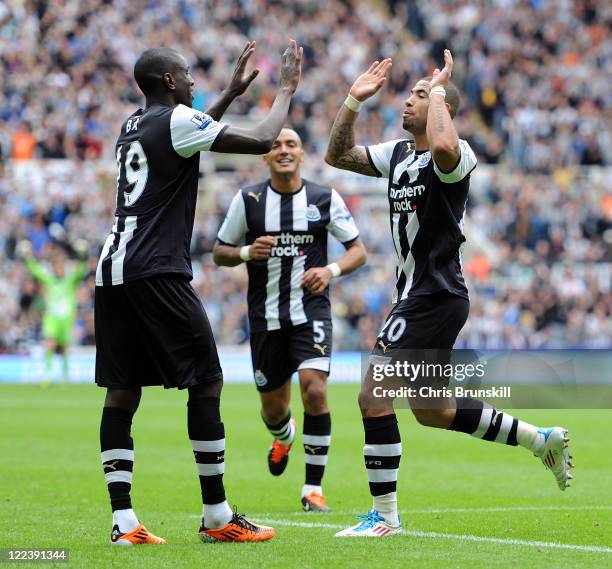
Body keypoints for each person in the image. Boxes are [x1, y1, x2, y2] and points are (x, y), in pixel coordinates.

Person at [325, 50, 573, 537]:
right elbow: (337, 155)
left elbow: (441, 150)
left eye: (420, 94)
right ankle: (539, 439)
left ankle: (386, 518)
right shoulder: (396, 154)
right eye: (412, 92)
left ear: (444, 109)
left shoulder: (459, 155)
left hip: (434, 295)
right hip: (420, 296)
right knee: (433, 410)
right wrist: (353, 100)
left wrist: (438, 90)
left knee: (374, 394)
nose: (408, 100)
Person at [94, 40, 302, 545]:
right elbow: (264, 138)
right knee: (207, 380)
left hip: (113, 270)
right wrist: (287, 89)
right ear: (168, 81)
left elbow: (185, 136)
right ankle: (217, 516)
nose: (192, 80)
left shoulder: (131, 125)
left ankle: (124, 523)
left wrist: (228, 94)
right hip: (157, 270)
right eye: (186, 74)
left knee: (123, 392)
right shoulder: (179, 121)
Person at [213, 128, 367, 512]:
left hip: (310, 311)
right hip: (265, 317)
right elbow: (219, 252)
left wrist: (330, 270)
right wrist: (248, 251)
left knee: (315, 390)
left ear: (302, 154)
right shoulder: (248, 200)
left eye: (292, 145)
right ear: (266, 157)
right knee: (274, 409)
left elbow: (358, 251)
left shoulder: (323, 198)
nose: (283, 150)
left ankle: (313, 489)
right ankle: (283, 436)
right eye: (276, 145)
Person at [20, 240, 87, 382]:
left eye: (61, 265)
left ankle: (65, 375)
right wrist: (28, 257)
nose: (59, 268)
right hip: (52, 318)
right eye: (57, 266)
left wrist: (82, 257)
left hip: (66, 318)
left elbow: (81, 271)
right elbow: (35, 270)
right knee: (49, 343)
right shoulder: (49, 280)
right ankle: (48, 375)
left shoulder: (70, 280)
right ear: (54, 267)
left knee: (64, 347)